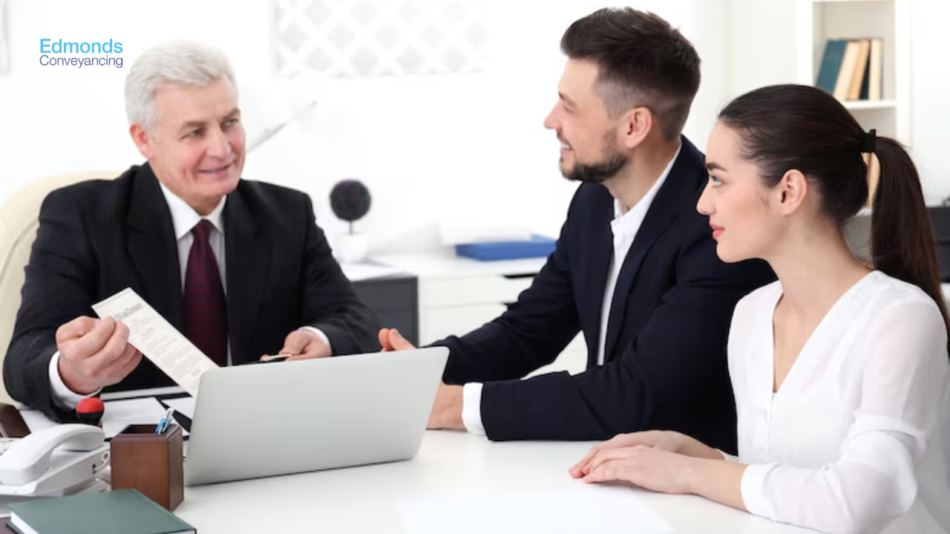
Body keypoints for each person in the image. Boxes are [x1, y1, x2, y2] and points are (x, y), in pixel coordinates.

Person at [379, 7, 774, 447]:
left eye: (569, 106)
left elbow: (637, 393)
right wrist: (415, 371)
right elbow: (528, 331)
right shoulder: (594, 199)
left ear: (634, 126)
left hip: (690, 478)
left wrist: (454, 406)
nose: (551, 120)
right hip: (606, 464)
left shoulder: (716, 225)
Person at [571, 84, 950, 534]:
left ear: (788, 191)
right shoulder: (752, 313)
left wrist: (691, 473)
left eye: (718, 179)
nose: (702, 203)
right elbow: (788, 481)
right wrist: (708, 458)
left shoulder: (900, 319)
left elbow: (857, 502)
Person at [4, 41, 379, 422]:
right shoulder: (80, 215)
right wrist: (71, 374)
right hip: (139, 446)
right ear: (144, 139)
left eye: (230, 122)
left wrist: (321, 339)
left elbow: (354, 318)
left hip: (264, 431)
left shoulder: (288, 214)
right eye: (195, 132)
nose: (222, 148)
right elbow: (25, 355)